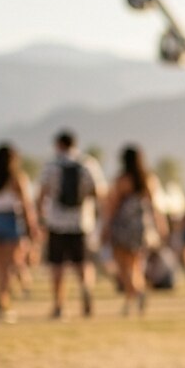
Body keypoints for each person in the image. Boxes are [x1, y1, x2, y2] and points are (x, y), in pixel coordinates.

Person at [37, 130, 107, 319]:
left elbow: (42, 194)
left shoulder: (51, 165)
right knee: (83, 263)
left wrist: (40, 219)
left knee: (57, 265)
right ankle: (86, 290)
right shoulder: (88, 164)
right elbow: (100, 192)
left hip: (57, 222)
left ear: (59, 144)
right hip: (81, 222)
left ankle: (59, 304)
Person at [103, 145, 166, 316]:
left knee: (125, 267)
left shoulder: (122, 180)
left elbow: (112, 206)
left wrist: (106, 228)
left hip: (123, 227)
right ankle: (130, 302)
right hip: (141, 229)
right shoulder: (148, 179)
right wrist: (160, 226)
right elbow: (154, 207)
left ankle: (137, 293)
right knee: (136, 265)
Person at [0, 143, 39, 322]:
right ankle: (3, 300)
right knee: (9, 265)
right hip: (10, 220)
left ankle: (1, 297)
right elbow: (27, 205)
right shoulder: (16, 178)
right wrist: (32, 226)